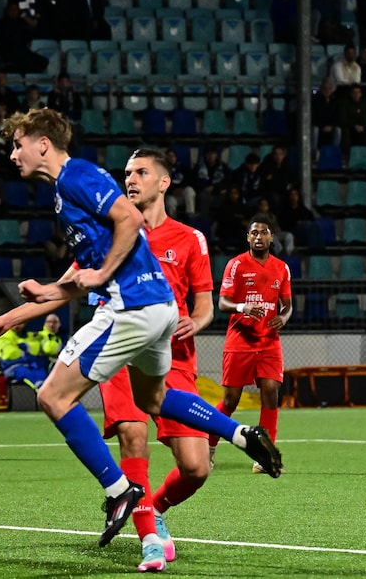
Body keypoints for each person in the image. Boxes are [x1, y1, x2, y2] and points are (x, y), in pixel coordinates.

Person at [0, 109, 283, 550]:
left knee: (52, 396)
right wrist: (15, 313)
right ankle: (237, 434)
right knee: (149, 402)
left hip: (129, 311)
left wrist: (99, 279)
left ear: (43, 143)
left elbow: (127, 224)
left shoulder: (76, 177)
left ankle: (120, 492)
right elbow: (79, 276)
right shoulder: (69, 193)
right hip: (157, 313)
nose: (13, 153)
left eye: (18, 143)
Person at [94, 148, 216, 572]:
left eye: (141, 172)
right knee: (133, 436)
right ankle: (148, 539)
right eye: (127, 173)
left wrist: (194, 324)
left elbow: (205, 306)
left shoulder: (189, 239)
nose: (130, 179)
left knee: (196, 468)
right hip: (122, 354)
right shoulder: (111, 234)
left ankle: (156, 507)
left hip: (174, 361)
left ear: (164, 182)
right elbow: (96, 296)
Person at [211, 214, 293, 474]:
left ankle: (264, 455)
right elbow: (222, 303)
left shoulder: (282, 267)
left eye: (264, 232)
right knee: (230, 399)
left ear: (271, 237)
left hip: (269, 342)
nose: (259, 237)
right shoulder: (236, 265)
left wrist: (283, 317)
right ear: (248, 237)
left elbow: (288, 306)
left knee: (270, 392)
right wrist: (242, 306)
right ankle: (209, 446)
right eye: (254, 233)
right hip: (240, 342)